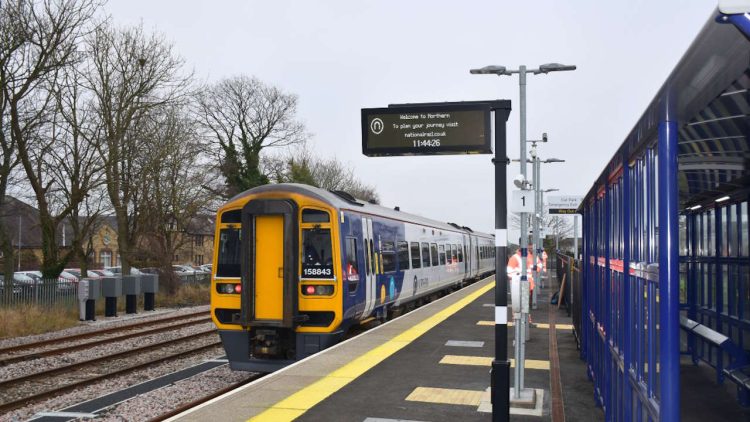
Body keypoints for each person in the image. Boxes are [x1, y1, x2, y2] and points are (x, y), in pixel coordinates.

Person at [507, 243, 537, 320]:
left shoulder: (530, 256)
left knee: (525, 304)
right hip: (518, 285)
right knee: (518, 303)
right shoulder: (514, 258)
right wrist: (520, 277)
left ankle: (526, 320)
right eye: (528, 248)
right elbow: (509, 272)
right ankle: (517, 320)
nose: (530, 250)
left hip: (529, 284)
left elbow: (535, 267)